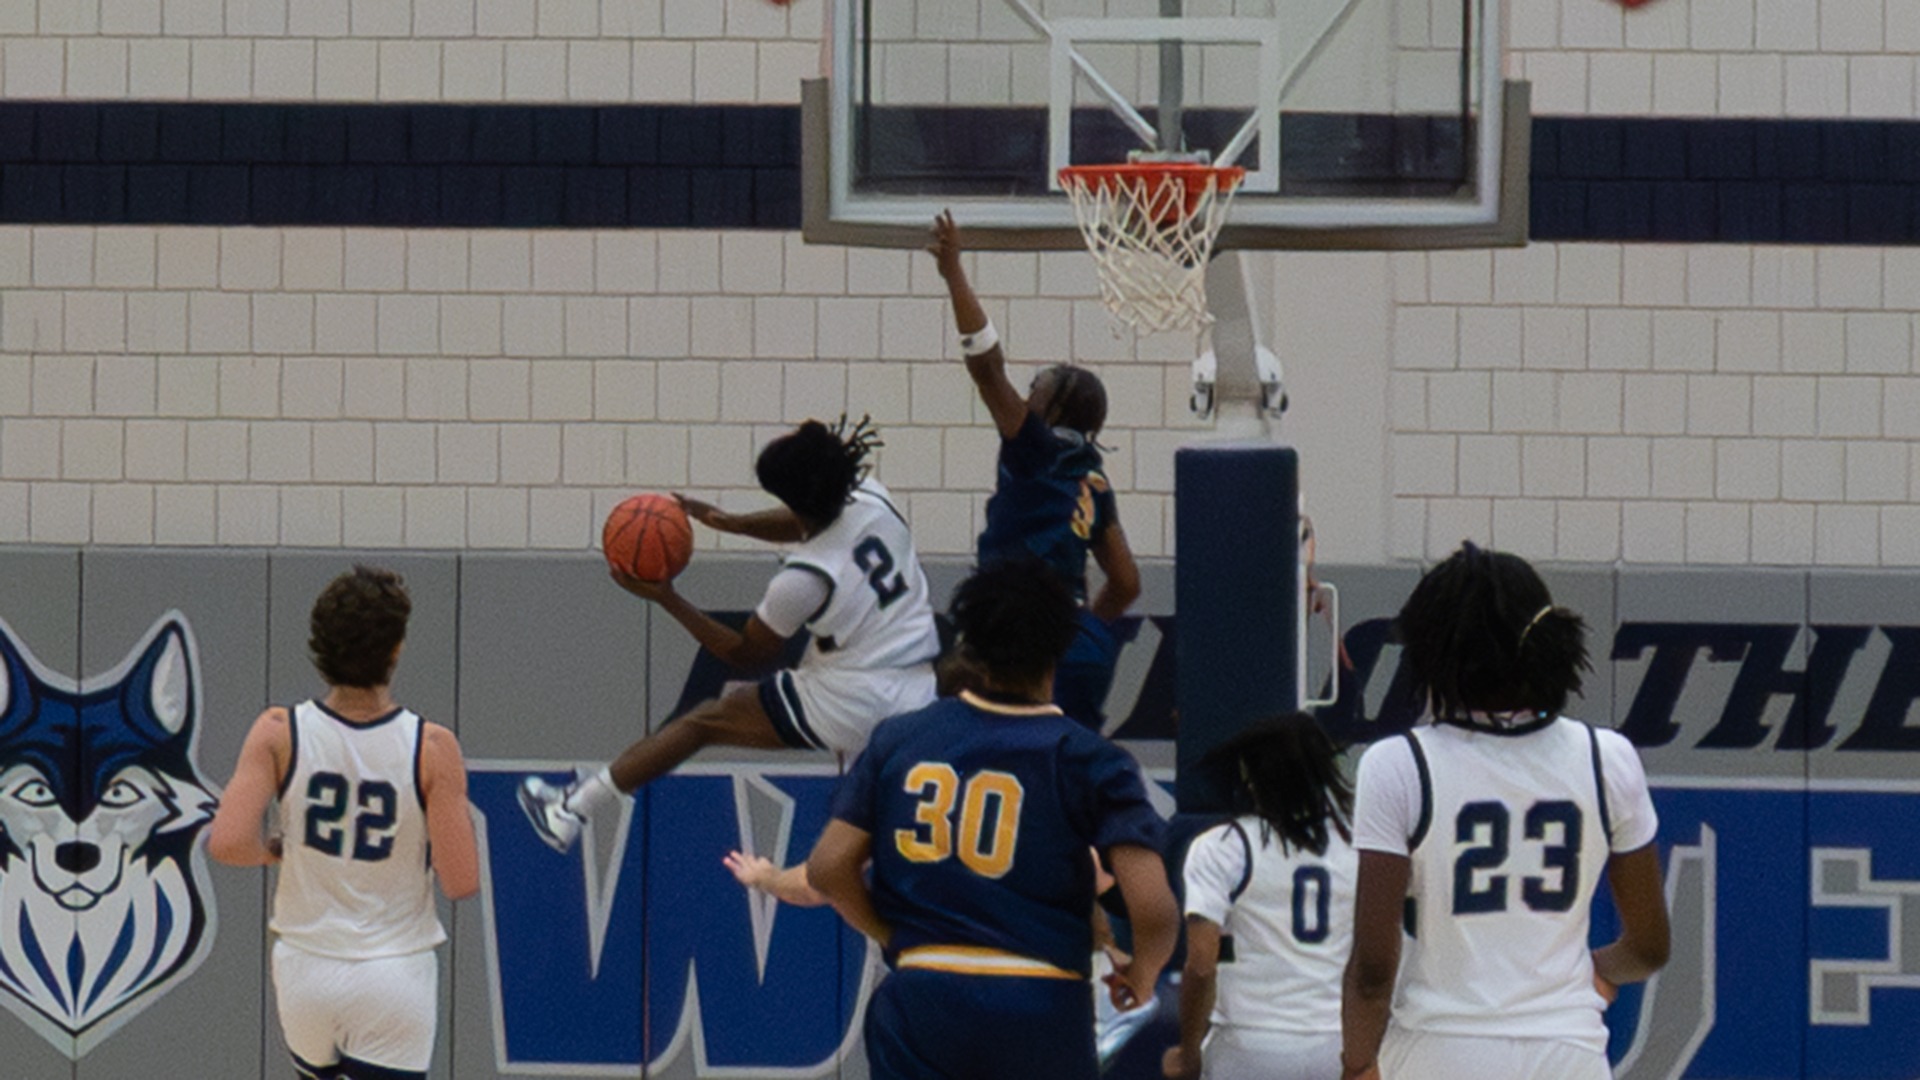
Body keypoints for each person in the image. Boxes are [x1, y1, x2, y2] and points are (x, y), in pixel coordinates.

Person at [806, 558, 1179, 1080]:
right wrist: (1143, 973)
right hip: (1038, 997)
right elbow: (1154, 908)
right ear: (1061, 647)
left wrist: (891, 936)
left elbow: (828, 868)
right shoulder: (1089, 758)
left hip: (921, 996)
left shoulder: (899, 739)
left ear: (969, 645)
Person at [520, 416, 941, 853]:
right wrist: (734, 524)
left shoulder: (804, 579)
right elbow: (804, 520)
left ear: (797, 502)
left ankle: (570, 811)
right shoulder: (873, 498)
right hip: (919, 686)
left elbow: (747, 656)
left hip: (854, 694)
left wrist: (668, 598)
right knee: (876, 851)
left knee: (705, 721)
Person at [1340, 543, 1671, 1080]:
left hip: (1440, 1049)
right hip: (1568, 1054)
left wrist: (1356, 1067)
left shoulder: (1398, 765)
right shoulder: (1607, 758)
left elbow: (1374, 971)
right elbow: (1651, 948)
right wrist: (1584, 972)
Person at [209, 565, 479, 1080]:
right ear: (396, 648)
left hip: (305, 968)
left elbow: (226, 843)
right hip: (393, 970)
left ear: (321, 645)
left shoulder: (277, 731)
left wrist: (275, 850)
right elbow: (461, 880)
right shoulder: (433, 747)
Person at [928, 211, 1141, 730]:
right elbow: (1126, 583)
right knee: (1068, 772)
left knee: (962, 735)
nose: (1024, 399)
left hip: (1015, 632)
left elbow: (986, 367)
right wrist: (1086, 624)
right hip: (1080, 645)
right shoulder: (1093, 477)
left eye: (1035, 393)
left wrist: (953, 271)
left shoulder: (1035, 447)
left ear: (1053, 410)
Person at [1162, 713, 1357, 1080]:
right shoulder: (1359, 846)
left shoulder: (1223, 846)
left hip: (1249, 1042)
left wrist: (1189, 1053)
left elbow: (1202, 964)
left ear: (1252, 778)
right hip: (1337, 1041)